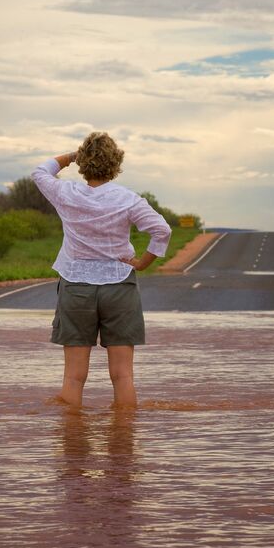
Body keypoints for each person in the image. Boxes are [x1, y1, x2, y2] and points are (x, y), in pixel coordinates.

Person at [32, 132, 171, 408]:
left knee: (73, 377)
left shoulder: (66, 193)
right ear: (116, 164)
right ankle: (123, 444)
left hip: (75, 285)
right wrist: (143, 263)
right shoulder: (128, 199)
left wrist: (72, 156)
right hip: (119, 286)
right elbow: (162, 230)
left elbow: (40, 172)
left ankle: (73, 446)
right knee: (123, 376)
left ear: (84, 163)